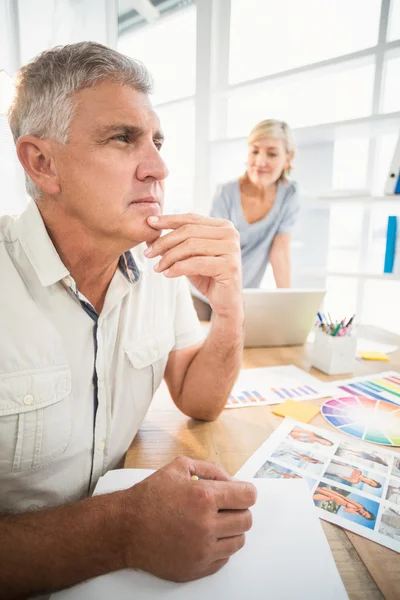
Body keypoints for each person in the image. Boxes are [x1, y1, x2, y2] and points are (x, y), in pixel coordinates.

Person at [0, 42, 257, 599]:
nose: (159, 167)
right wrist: (122, 532)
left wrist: (230, 303)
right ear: (41, 163)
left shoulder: (154, 264)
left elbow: (199, 397)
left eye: (157, 141)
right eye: (123, 138)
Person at [192, 119, 299, 321]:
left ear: (288, 157)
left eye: (272, 153)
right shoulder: (226, 193)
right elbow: (216, 251)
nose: (260, 161)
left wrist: (287, 309)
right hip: (203, 292)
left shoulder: (289, 195)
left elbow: (280, 251)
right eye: (255, 151)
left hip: (241, 295)